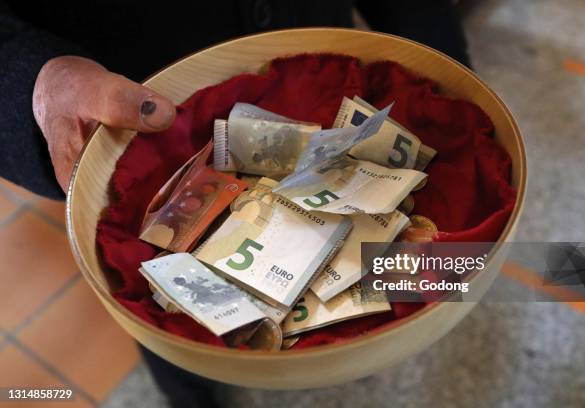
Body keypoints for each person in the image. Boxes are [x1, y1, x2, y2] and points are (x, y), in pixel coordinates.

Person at [0, 1, 470, 407]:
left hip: (312, 41)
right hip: (130, 95)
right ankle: (187, 392)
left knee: (355, 311)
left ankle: (344, 346)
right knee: (168, 320)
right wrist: (33, 79)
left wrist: (448, 65)